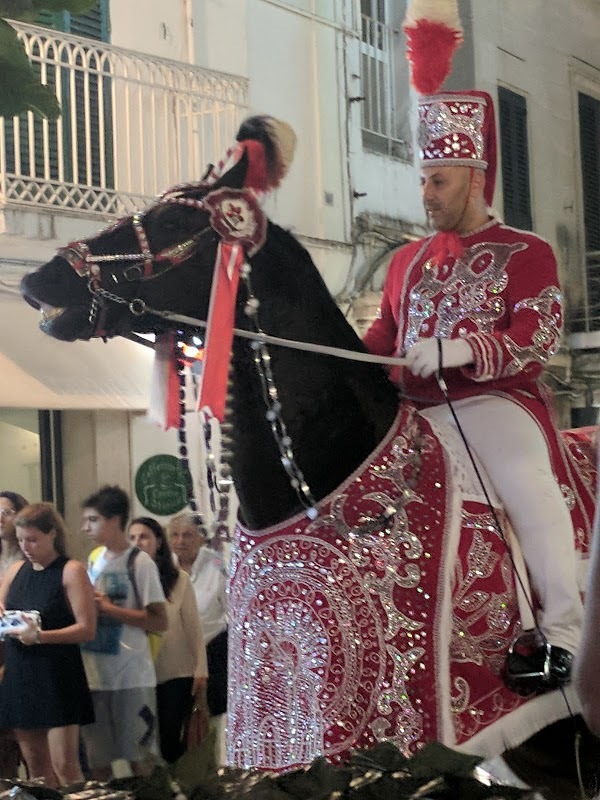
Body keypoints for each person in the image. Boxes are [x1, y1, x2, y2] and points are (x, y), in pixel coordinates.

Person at [364, 88, 591, 693]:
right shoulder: (404, 261)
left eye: (438, 182)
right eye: (424, 181)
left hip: (496, 402)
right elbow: (384, 333)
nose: (426, 195)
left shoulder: (527, 250)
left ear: (472, 178)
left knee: (527, 484)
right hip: (414, 410)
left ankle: (564, 630)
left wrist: (461, 350)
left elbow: (538, 334)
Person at [0, 503, 96, 786]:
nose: (26, 547)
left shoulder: (71, 570)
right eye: (20, 540)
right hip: (21, 672)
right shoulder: (17, 569)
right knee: (37, 769)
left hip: (57, 673)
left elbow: (86, 629)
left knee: (65, 765)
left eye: (32, 540)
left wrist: (41, 636)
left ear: (52, 533)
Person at [80, 486, 167, 779]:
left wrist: (110, 610)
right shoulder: (93, 560)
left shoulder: (139, 562)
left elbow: (159, 620)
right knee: (97, 759)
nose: (86, 527)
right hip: (94, 673)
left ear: (115, 520)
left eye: (93, 520)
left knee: (140, 758)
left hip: (131, 676)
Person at [128, 516, 208, 763]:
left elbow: (194, 627)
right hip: (137, 674)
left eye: (144, 537)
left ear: (158, 542)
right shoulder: (124, 579)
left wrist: (200, 669)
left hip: (176, 673)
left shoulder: (178, 579)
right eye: (132, 538)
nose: (138, 543)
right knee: (142, 743)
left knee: (170, 741)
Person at [168, 513, 228, 719]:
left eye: (187, 535)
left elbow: (232, 612)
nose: (180, 541)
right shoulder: (164, 568)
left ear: (201, 538)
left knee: (211, 718)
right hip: (175, 657)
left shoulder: (217, 566)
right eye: (174, 535)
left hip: (212, 651)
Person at [0, 490, 28, 779]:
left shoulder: (31, 557)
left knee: (27, 739)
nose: (0, 518)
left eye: (6, 512)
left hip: (22, 648)